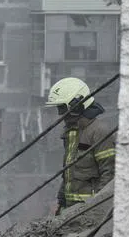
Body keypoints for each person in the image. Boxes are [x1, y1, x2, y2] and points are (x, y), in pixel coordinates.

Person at [46, 77, 116, 213]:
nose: (61, 114)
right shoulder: (71, 132)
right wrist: (61, 201)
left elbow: (109, 174)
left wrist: (97, 207)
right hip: (70, 210)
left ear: (76, 105)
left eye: (62, 108)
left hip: (88, 210)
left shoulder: (99, 132)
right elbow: (69, 171)